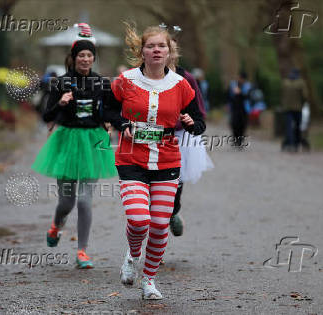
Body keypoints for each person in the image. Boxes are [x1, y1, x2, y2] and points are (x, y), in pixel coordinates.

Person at [104, 23, 206, 299]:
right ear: (142, 51)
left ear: (170, 51)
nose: (157, 50)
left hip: (167, 161)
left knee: (160, 224)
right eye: (151, 46)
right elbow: (108, 108)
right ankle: (132, 255)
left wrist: (190, 122)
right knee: (139, 220)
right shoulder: (125, 81)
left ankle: (149, 280)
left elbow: (199, 122)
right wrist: (121, 121)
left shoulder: (181, 85)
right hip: (131, 159)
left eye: (162, 46)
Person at [32, 23, 117, 269]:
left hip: (93, 141)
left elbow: (109, 110)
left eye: (90, 55)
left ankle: (82, 252)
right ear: (74, 57)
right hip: (68, 141)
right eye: (82, 55)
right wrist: (60, 102)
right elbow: (46, 116)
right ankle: (56, 226)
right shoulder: (60, 82)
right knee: (67, 202)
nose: (86, 59)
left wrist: (110, 121)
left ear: (93, 58)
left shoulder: (102, 83)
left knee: (84, 200)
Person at [167, 39, 214, 237]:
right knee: (151, 192)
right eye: (156, 47)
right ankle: (155, 242)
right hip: (150, 136)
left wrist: (190, 121)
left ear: (175, 52)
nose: (162, 52)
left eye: (167, 48)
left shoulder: (186, 78)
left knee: (174, 189)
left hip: (180, 138)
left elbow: (199, 115)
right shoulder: (140, 76)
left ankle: (173, 212)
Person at [281, 68, 308, 152]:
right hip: (298, 108)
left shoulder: (285, 82)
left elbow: (282, 95)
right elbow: (305, 96)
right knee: (297, 126)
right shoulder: (301, 83)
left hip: (287, 108)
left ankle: (289, 143)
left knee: (288, 127)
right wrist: (302, 104)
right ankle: (296, 144)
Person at [228, 71, 252, 147]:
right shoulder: (233, 84)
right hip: (235, 108)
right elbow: (229, 95)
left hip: (244, 108)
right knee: (234, 124)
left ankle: (240, 140)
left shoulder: (247, 86)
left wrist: (240, 92)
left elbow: (248, 96)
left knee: (243, 124)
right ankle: (235, 139)